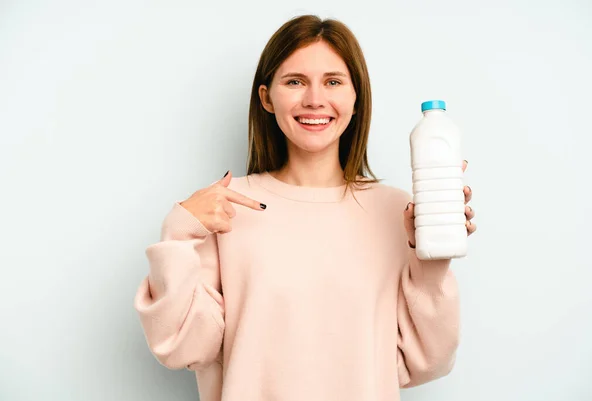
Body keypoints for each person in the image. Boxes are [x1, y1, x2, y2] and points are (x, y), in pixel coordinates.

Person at [134, 14, 476, 401]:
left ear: (355, 97)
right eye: (295, 81)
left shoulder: (397, 213)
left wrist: (431, 261)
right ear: (266, 97)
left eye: (333, 81)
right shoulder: (226, 209)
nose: (315, 99)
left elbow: (428, 361)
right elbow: (184, 347)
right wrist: (178, 232)